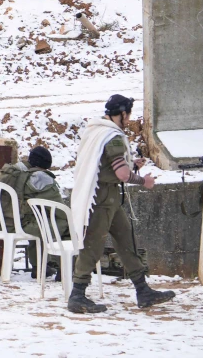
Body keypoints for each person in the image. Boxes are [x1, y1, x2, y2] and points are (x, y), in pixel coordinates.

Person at [68, 94, 175, 313]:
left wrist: (130, 164)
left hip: (107, 198)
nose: (129, 120)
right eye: (128, 115)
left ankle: (143, 290)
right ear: (122, 113)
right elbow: (123, 174)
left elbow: (107, 165)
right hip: (101, 199)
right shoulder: (113, 137)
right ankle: (77, 295)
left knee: (126, 240)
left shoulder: (97, 131)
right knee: (92, 246)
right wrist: (143, 180)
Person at [0, 146, 66, 279]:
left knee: (38, 219)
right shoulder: (39, 178)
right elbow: (59, 209)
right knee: (65, 223)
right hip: (21, 225)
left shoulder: (12, 172)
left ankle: (39, 267)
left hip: (1, 223)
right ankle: (67, 269)